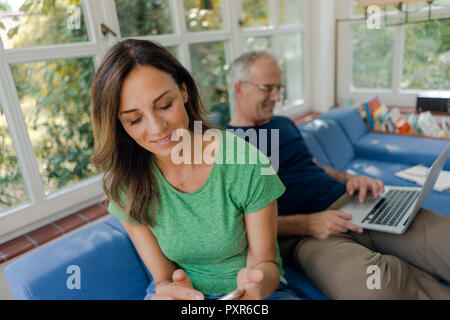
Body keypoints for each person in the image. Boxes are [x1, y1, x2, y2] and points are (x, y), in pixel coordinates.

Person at [226, 51, 450, 299]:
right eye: (268, 88)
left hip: (355, 204)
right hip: (305, 236)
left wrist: (350, 178)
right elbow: (234, 222)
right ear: (239, 88)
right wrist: (308, 223)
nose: (277, 97)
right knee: (373, 290)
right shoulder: (224, 146)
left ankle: (411, 265)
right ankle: (409, 270)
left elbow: (313, 167)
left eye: (279, 88)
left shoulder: (284, 124)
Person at [90, 40, 301, 300]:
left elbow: (265, 264)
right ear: (119, 125)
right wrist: (170, 289)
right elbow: (163, 278)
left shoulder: (245, 161)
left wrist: (254, 286)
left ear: (184, 91)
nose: (157, 128)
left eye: (165, 105)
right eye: (135, 119)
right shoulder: (126, 184)